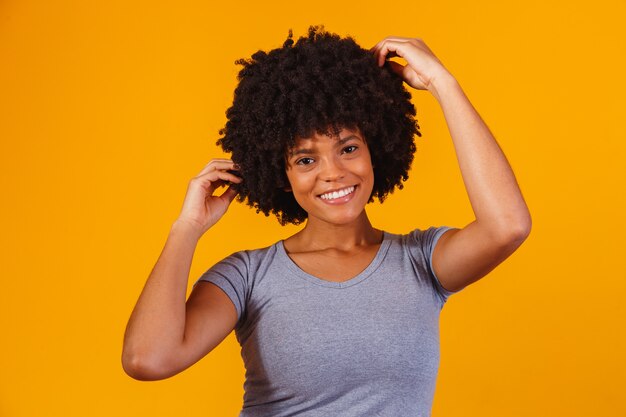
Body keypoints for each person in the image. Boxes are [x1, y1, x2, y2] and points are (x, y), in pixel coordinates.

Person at [122, 26, 531, 416]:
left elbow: (507, 226)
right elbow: (148, 359)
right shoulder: (248, 275)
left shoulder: (421, 263)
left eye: (348, 148)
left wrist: (443, 84)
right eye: (306, 159)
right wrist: (187, 227)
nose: (333, 172)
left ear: (376, 148)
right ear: (282, 176)